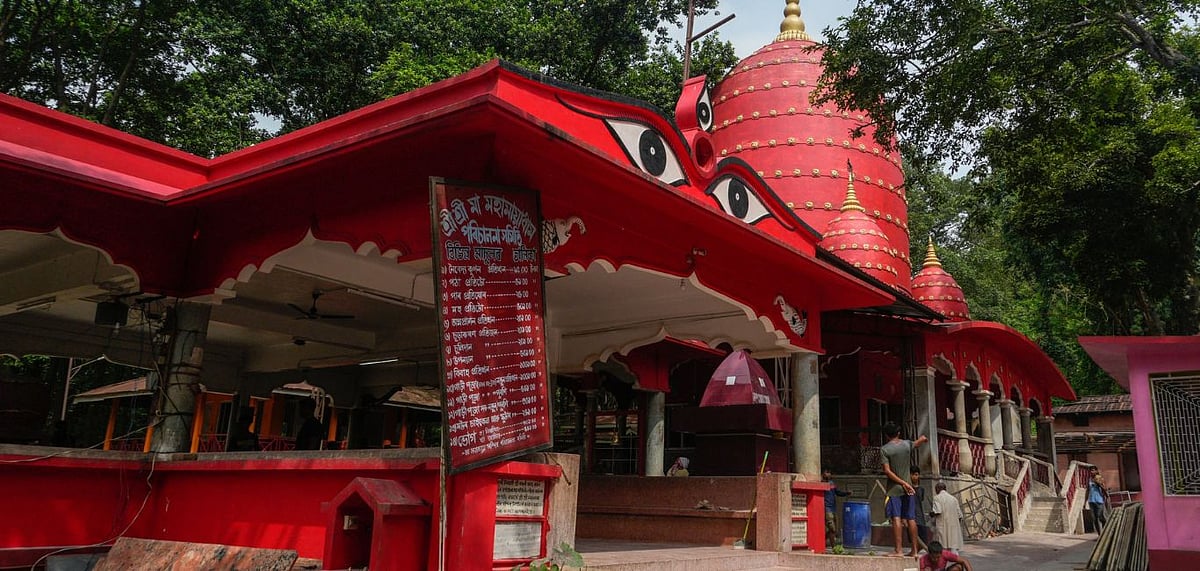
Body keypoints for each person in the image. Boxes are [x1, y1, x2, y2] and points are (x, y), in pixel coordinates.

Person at [881, 421, 929, 557]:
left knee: (896, 518)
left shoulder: (885, 449)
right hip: (909, 489)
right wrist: (923, 438)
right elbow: (918, 442)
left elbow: (887, 471)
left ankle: (899, 550)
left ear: (886, 435)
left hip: (894, 489)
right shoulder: (906, 445)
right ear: (898, 433)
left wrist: (902, 483)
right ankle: (914, 550)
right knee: (911, 518)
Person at [930, 482, 964, 553]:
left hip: (942, 526)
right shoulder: (954, 499)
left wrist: (931, 514)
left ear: (938, 489)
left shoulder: (937, 498)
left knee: (942, 547)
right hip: (953, 527)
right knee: (953, 548)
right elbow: (960, 515)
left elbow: (938, 511)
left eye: (936, 489)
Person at [823, 468, 852, 548]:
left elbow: (838, 492)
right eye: (826, 472)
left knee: (833, 529)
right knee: (832, 528)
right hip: (827, 508)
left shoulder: (832, 484)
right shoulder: (821, 484)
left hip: (833, 508)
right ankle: (833, 546)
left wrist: (846, 493)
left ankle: (826, 542)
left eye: (829, 473)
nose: (828, 474)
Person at [911, 467, 930, 551]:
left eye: (916, 475)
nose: (915, 477)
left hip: (920, 516)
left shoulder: (921, 489)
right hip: (911, 515)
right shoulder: (907, 488)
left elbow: (921, 501)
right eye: (913, 475)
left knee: (923, 538)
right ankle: (913, 551)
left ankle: (915, 551)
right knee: (913, 537)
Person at [1088, 469, 1109, 534]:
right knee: (1094, 518)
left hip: (1099, 500)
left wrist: (1106, 495)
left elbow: (1103, 488)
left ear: (1096, 471)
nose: (1091, 472)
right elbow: (1088, 490)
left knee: (1100, 516)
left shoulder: (1099, 478)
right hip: (1091, 500)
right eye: (1091, 470)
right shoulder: (1089, 480)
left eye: (1093, 470)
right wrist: (1086, 500)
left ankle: (1105, 531)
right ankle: (1099, 534)